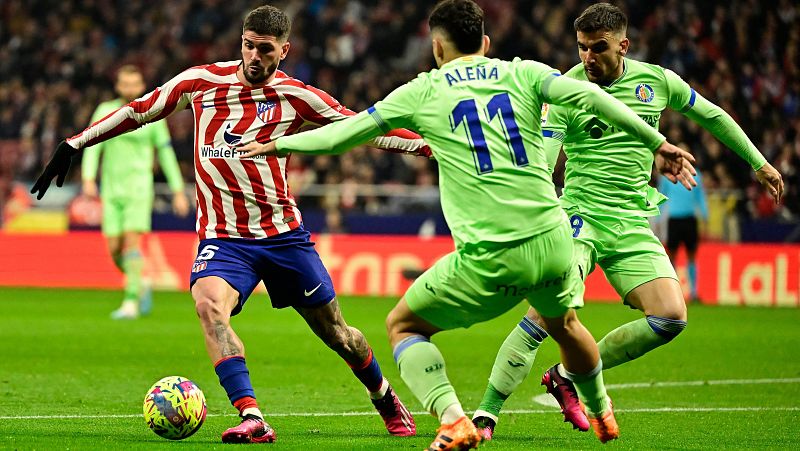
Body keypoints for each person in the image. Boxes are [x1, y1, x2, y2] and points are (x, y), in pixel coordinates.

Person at [238, 1, 696, 447]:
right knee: (566, 324)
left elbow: (345, 132)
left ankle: (455, 419)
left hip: (491, 255)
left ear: (437, 48)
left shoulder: (423, 90)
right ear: (486, 41)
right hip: (555, 241)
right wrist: (659, 142)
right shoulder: (526, 72)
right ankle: (601, 411)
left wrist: (278, 146)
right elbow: (594, 96)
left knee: (402, 325)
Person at [32, 5, 428, 444]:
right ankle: (252, 414)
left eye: (265, 49)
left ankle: (383, 394)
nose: (254, 56)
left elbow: (364, 128)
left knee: (336, 333)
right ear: (241, 41)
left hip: (283, 238)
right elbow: (139, 110)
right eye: (248, 45)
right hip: (223, 238)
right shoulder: (200, 83)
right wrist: (76, 141)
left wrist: (429, 148)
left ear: (283, 50)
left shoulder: (299, 97)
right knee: (208, 305)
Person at [470, 2, 784, 440]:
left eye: (598, 48)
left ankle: (564, 376)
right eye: (581, 48)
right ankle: (486, 413)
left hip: (632, 221)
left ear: (623, 45)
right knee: (547, 315)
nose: (587, 58)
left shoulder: (655, 81)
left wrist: (759, 163)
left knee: (671, 316)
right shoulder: (566, 88)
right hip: (579, 217)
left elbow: (710, 114)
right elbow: (545, 154)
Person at [80, 65, 190, 320]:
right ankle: (140, 281)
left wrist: (177, 190)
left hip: (139, 188)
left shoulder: (153, 112)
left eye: (135, 83)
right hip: (111, 189)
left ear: (142, 86)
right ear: (118, 86)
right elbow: (91, 145)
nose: (130, 88)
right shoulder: (106, 111)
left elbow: (165, 153)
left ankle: (130, 301)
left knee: (131, 242)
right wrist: (88, 177)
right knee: (114, 249)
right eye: (125, 83)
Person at [659, 168, 709, 302]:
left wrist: (705, 215)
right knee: (671, 257)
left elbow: (700, 196)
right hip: (674, 219)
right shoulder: (667, 176)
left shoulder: (696, 175)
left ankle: (693, 293)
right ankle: (672, 293)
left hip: (690, 219)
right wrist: (657, 218)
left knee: (691, 256)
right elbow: (661, 196)